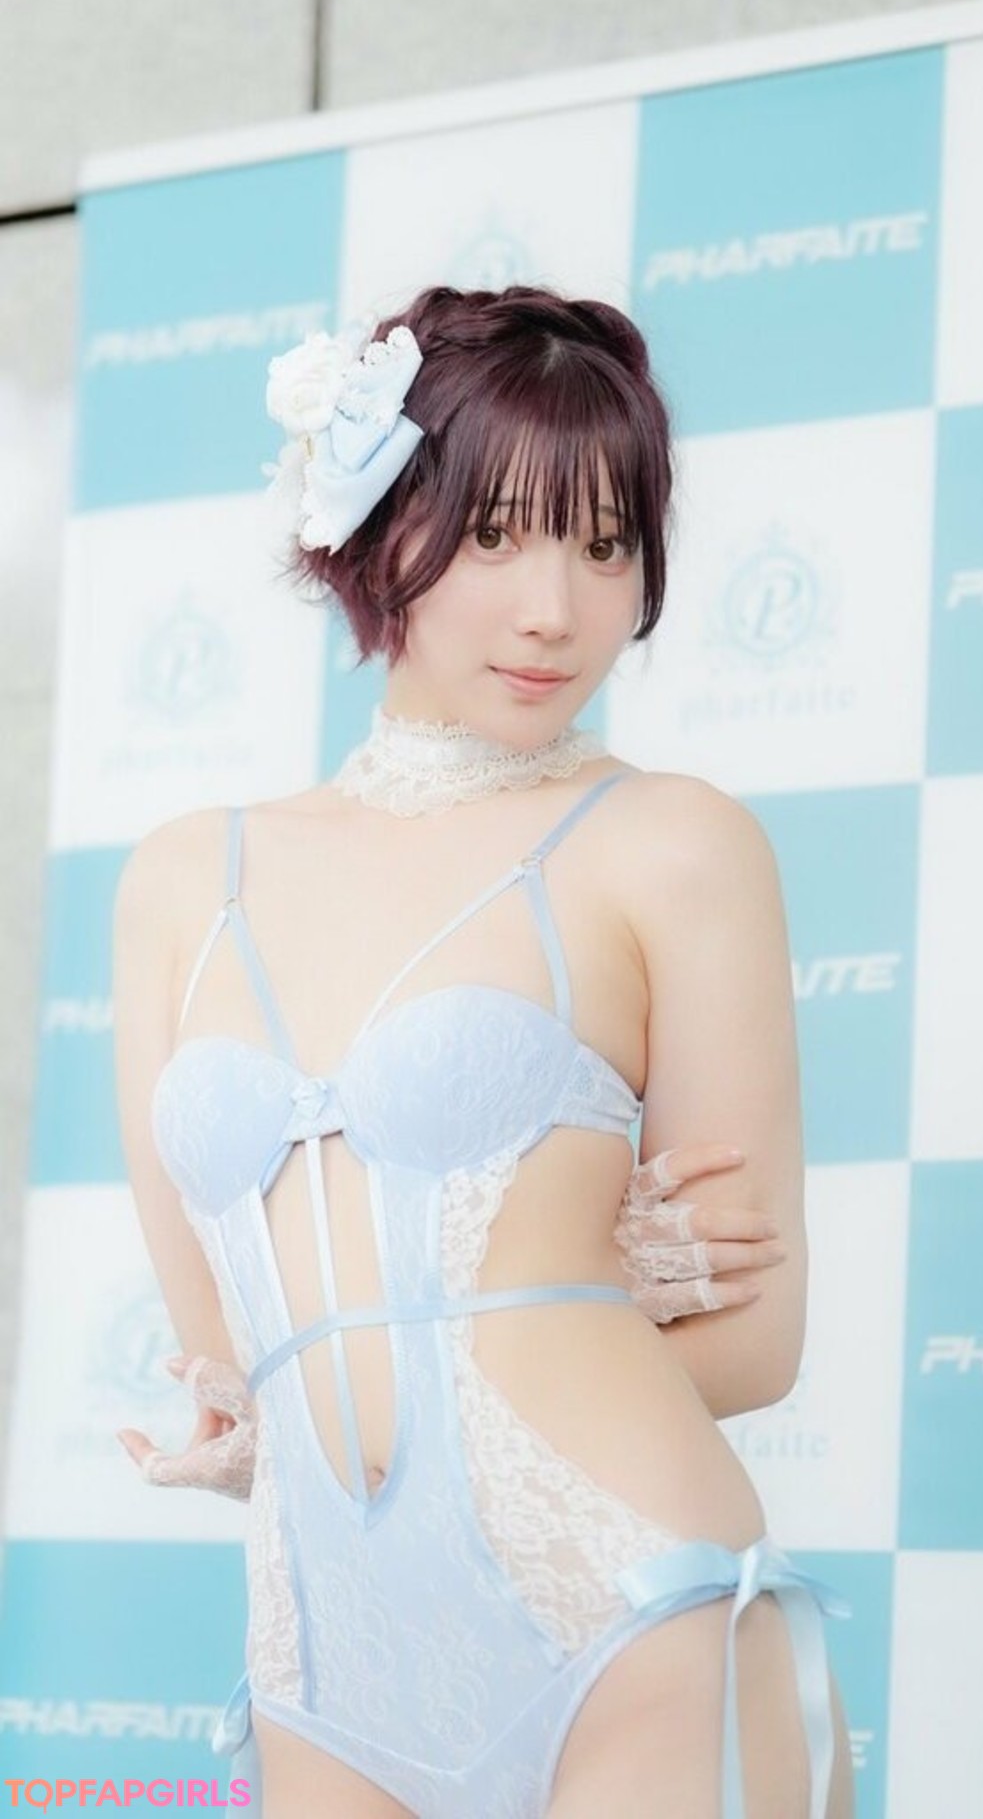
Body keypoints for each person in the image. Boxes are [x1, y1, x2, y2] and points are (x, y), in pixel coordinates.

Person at [112, 284, 854, 1819]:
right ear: (373, 524)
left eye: (608, 545)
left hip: (633, 1605)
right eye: (499, 535)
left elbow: (756, 1345)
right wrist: (247, 1417)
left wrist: (569, 1294)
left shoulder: (672, 844)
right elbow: (231, 1370)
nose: (556, 611)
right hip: (328, 1658)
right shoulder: (187, 877)